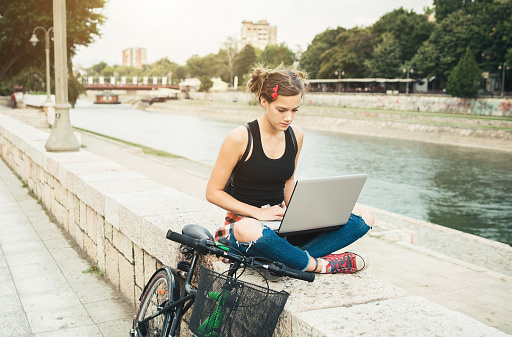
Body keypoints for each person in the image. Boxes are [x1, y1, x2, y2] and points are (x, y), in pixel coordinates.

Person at [205, 65, 374, 274]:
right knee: (248, 229)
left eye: (295, 110)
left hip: (281, 225)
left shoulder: (296, 136)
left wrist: (303, 216)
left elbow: (288, 181)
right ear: (264, 102)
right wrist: (259, 213)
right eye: (282, 110)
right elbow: (213, 192)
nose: (289, 118)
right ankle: (319, 264)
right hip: (246, 227)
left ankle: (283, 262)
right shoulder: (240, 137)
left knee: (363, 216)